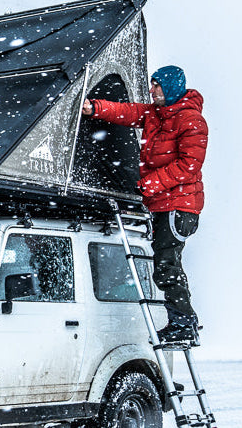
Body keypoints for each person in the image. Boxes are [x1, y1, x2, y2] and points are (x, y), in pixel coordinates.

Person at [82, 65, 207, 343]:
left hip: (181, 206)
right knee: (165, 263)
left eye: (157, 86)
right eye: (152, 85)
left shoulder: (191, 121)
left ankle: (184, 323)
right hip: (162, 202)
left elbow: (188, 166)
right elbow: (127, 113)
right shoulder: (155, 114)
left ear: (172, 87)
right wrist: (95, 108)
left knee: (167, 264)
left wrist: (149, 184)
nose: (152, 91)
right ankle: (182, 321)